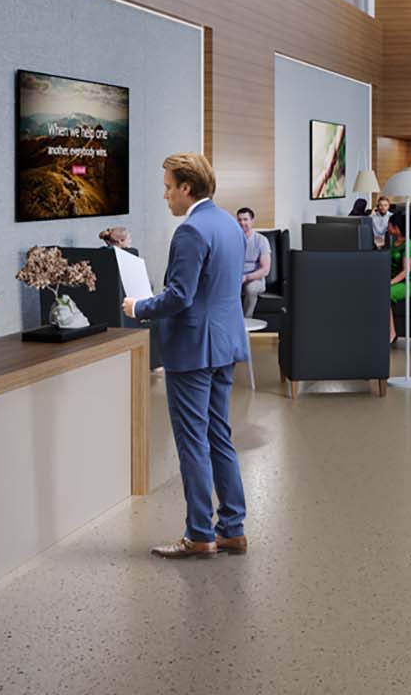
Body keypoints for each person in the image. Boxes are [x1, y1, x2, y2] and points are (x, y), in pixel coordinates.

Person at [122, 153, 249, 559]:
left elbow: (180, 296)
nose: (165, 195)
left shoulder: (191, 230)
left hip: (194, 349)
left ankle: (199, 534)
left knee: (193, 441)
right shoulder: (229, 223)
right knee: (219, 436)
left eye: (167, 187)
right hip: (225, 343)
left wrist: (138, 307)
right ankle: (232, 528)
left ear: (186, 188)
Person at [385, 212, 411, 344]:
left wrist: (390, 283)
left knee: (385, 294)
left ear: (397, 227)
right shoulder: (392, 241)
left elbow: (406, 271)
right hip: (394, 278)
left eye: (390, 224)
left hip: (409, 281)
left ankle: (392, 333)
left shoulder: (408, 245)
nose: (387, 226)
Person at [237, 206, 272, 318]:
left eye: (245, 219)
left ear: (252, 221)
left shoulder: (261, 240)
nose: (242, 223)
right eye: (240, 220)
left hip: (255, 279)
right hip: (236, 278)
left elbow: (265, 269)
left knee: (250, 289)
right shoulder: (233, 239)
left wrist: (246, 277)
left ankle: (246, 323)